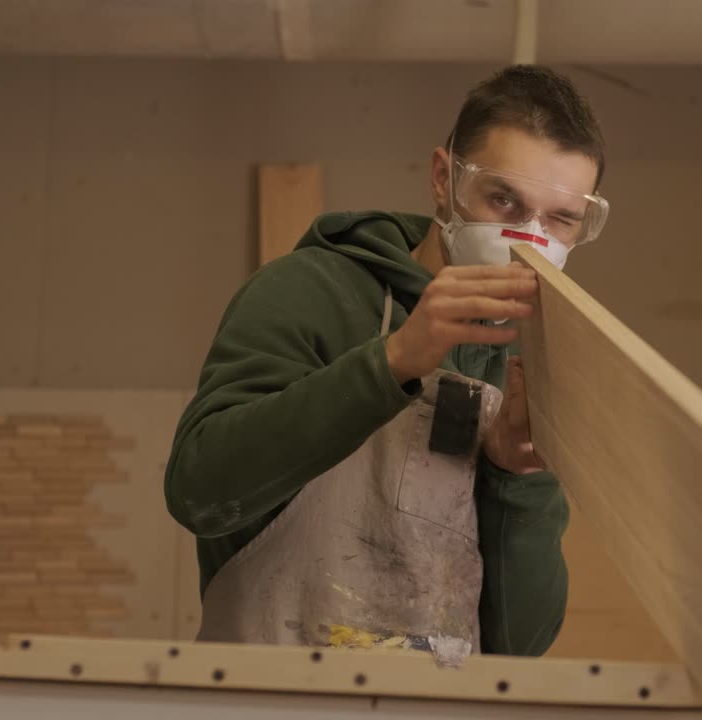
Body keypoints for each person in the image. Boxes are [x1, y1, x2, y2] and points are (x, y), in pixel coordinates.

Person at [164, 64, 609, 662]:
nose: (528, 238)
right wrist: (393, 361)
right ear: (443, 179)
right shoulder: (310, 292)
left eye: (561, 219)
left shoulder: (534, 365)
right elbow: (199, 491)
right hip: (269, 697)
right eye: (503, 198)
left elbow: (517, 649)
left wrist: (515, 482)